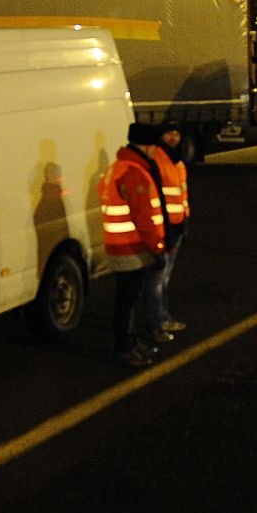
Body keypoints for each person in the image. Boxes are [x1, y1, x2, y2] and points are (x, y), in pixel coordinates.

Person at [99, 123, 167, 367]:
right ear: (147, 146)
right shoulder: (134, 172)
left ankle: (130, 342)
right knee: (127, 302)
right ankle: (125, 348)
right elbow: (143, 216)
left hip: (117, 245)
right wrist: (157, 248)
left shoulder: (116, 168)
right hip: (132, 248)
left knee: (125, 299)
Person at [141, 121, 189, 339]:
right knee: (157, 277)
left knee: (164, 277)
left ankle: (162, 317)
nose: (173, 137)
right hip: (164, 226)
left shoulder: (177, 160)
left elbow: (182, 193)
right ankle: (157, 321)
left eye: (176, 133)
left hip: (177, 225)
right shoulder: (158, 159)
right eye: (169, 133)